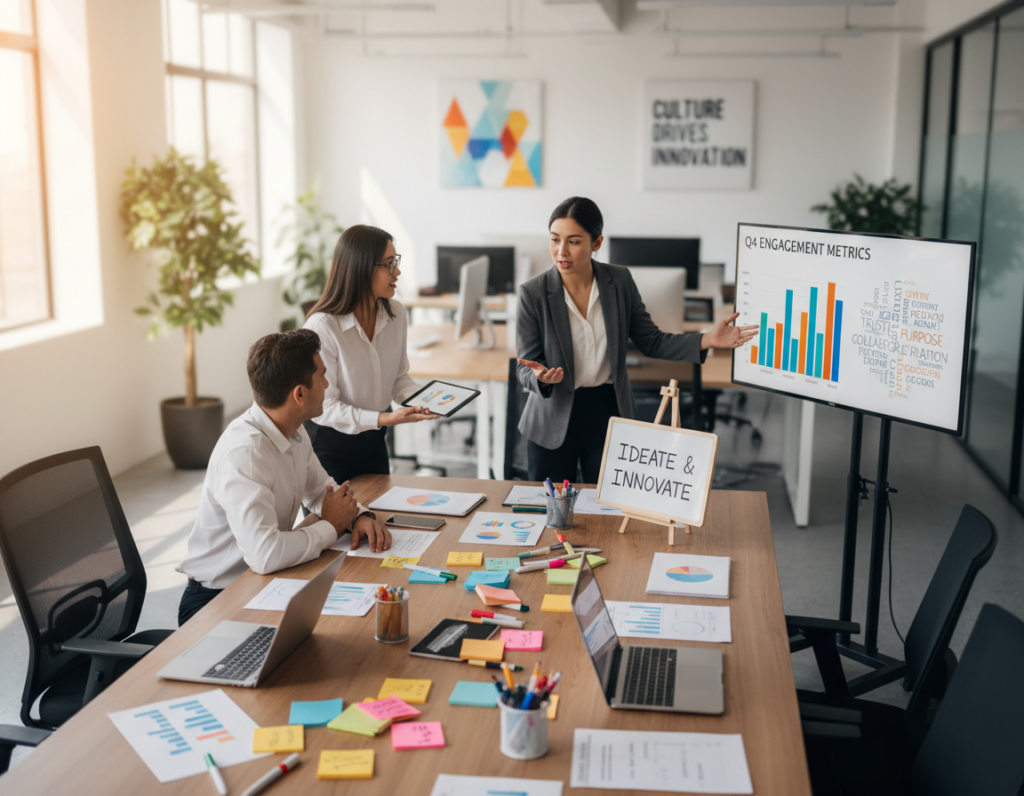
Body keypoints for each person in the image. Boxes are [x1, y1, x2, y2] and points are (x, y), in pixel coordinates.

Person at [516, 196, 758, 484]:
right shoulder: (533, 293)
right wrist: (541, 379)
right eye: (555, 239)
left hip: (607, 412)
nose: (561, 252)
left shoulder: (618, 282)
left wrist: (707, 340)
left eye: (574, 241)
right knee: (551, 512)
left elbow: (652, 341)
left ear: (597, 243)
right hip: (551, 416)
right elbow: (524, 368)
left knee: (607, 511)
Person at [176, 329, 391, 626]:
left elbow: (320, 492)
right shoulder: (246, 453)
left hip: (262, 583)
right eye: (322, 377)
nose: (327, 384)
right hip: (216, 599)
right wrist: (331, 526)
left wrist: (359, 517)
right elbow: (265, 555)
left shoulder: (291, 427)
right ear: (299, 394)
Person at [303, 225, 438, 485]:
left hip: (374, 439)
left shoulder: (396, 314)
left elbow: (399, 378)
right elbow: (324, 408)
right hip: (329, 448)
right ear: (361, 268)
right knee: (335, 525)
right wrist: (385, 418)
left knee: (379, 518)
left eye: (395, 262)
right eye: (389, 264)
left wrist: (427, 399)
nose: (397, 272)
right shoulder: (323, 327)